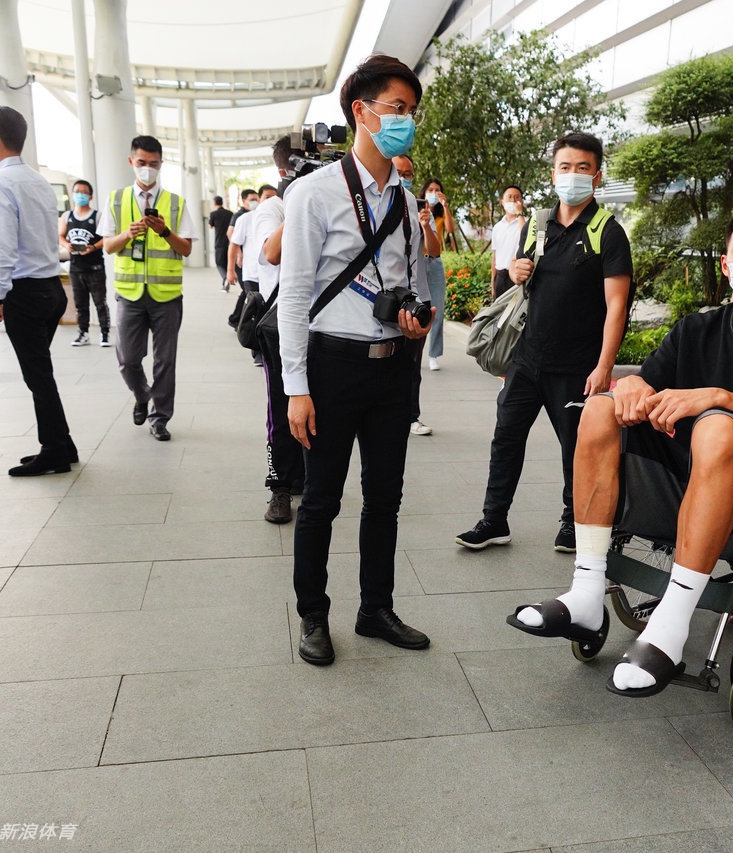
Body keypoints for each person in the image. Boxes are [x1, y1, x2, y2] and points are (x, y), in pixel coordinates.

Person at [507, 206, 733, 694]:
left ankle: (671, 625)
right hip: (679, 486)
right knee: (599, 409)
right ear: (726, 264)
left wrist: (724, 400)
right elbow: (645, 384)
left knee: (718, 427)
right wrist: (629, 388)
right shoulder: (696, 330)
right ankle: (585, 594)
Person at [278, 54, 434, 666]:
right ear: (361, 112)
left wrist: (416, 317)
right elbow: (295, 296)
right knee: (321, 499)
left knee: (385, 498)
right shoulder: (314, 193)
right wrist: (296, 387)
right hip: (332, 367)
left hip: (391, 368)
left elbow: (411, 282)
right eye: (397, 108)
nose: (405, 121)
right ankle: (313, 615)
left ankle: (376, 609)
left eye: (411, 111)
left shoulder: (405, 201)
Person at [456, 131, 633, 554]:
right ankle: (494, 520)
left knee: (576, 447)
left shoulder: (608, 232)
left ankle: (572, 520)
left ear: (597, 176)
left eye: (583, 168)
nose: (573, 175)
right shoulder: (537, 225)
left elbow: (617, 307)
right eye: (565, 167)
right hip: (527, 358)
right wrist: (518, 271)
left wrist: (604, 367)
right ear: (553, 173)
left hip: (577, 365)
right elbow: (526, 281)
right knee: (506, 437)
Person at [0, 106, 78, 477]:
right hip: (51, 288)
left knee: (37, 376)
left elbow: (3, 247)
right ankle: (63, 444)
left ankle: (54, 451)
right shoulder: (37, 180)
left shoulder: (0, 183)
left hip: (26, 293)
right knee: (41, 371)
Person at [100, 135, 196, 442]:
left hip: (167, 296)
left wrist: (165, 231)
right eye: (142, 162)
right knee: (128, 359)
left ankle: (160, 417)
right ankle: (142, 395)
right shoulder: (116, 200)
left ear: (161, 164)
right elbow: (108, 246)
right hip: (129, 294)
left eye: (154, 164)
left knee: (165, 361)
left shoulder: (176, 203)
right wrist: (128, 234)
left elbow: (186, 249)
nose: (147, 169)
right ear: (131, 162)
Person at [254, 136, 305, 524]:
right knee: (283, 404)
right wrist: (302, 199)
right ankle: (281, 487)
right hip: (280, 324)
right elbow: (272, 253)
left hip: (325, 322)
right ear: (284, 170)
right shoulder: (272, 207)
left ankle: (309, 478)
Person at [392, 154, 443, 436]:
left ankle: (411, 416)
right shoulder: (373, 204)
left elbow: (434, 252)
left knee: (412, 363)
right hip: (385, 298)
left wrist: (425, 226)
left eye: (408, 173)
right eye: (399, 172)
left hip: (417, 297)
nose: (404, 177)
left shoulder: (418, 208)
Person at [59, 179, 110, 348]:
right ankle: (83, 333)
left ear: (90, 196)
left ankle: (104, 334)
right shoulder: (67, 216)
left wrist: (93, 247)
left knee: (100, 302)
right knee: (80, 304)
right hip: (76, 267)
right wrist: (67, 245)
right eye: (77, 192)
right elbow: (60, 236)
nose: (80, 195)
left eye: (84, 192)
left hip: (95, 267)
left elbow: (107, 238)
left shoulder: (98, 216)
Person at [227, 186, 276, 331]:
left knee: (268, 312)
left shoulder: (280, 217)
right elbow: (234, 244)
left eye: (274, 197)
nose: (271, 201)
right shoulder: (245, 219)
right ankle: (246, 333)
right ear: (260, 199)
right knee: (255, 310)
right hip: (252, 275)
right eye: (267, 197)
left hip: (271, 277)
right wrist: (230, 270)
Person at [417, 177, 452, 372]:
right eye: (430, 189)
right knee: (416, 309)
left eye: (437, 190)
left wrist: (445, 206)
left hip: (435, 263)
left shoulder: (438, 216)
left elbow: (450, 229)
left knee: (437, 311)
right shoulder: (414, 210)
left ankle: (433, 354)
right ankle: (415, 351)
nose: (433, 193)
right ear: (423, 192)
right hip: (417, 262)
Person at [490, 185, 525, 299]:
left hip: (516, 276)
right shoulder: (497, 227)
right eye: (509, 197)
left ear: (522, 202)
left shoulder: (526, 223)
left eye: (517, 197)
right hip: (500, 276)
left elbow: (525, 236)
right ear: (502, 202)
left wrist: (519, 213)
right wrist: (492, 281)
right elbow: (495, 255)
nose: (513, 200)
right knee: (499, 308)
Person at [208, 195, 232, 290]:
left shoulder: (213, 214)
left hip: (219, 243)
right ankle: (225, 283)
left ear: (214, 203)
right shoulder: (230, 213)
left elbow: (210, 226)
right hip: (230, 243)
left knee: (219, 263)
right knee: (226, 263)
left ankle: (226, 278)